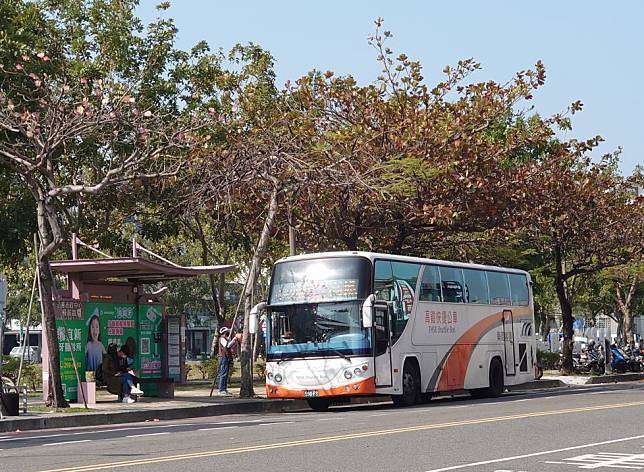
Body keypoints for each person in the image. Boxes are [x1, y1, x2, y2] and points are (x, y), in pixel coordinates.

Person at [217, 327, 241, 397]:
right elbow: (227, 345)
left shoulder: (226, 339)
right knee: (223, 373)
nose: (228, 333)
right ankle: (221, 390)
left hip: (226, 357)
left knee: (226, 373)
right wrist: (234, 339)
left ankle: (224, 389)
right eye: (227, 332)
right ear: (224, 332)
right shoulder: (222, 339)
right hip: (223, 357)